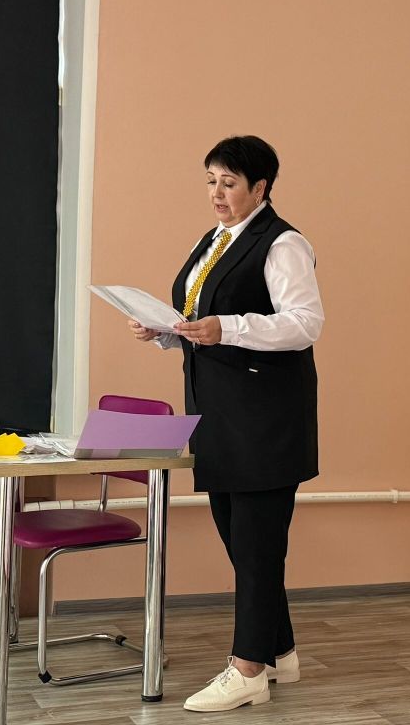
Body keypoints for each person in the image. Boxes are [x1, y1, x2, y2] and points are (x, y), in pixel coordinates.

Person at [128, 135, 323, 712]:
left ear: (260, 188)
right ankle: (280, 650)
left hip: (265, 418)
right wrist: (166, 331)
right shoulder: (213, 240)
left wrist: (229, 326)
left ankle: (248, 670)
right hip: (217, 414)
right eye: (211, 180)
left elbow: (305, 323)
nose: (216, 193)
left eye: (229, 183)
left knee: (257, 546)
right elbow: (202, 325)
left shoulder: (283, 243)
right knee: (244, 543)